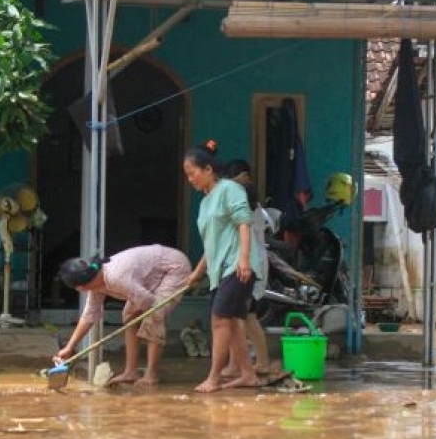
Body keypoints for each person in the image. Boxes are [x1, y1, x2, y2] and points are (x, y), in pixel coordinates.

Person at [182, 140, 261, 392]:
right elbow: (212, 245)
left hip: (237, 266)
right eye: (187, 175)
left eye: (192, 173)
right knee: (232, 323)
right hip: (220, 270)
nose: (190, 179)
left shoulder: (230, 189)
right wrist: (197, 272)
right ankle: (248, 374)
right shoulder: (205, 203)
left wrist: (245, 259)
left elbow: (243, 224)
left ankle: (214, 377)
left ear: (207, 170)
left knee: (219, 319)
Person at [55, 245, 191, 386]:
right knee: (129, 315)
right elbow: (89, 315)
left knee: (153, 317)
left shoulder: (116, 277)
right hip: (151, 275)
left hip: (173, 267)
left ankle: (152, 374)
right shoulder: (96, 284)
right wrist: (69, 347)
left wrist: (150, 324)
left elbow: (148, 302)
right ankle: (131, 372)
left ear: (80, 288)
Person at [222, 159, 277, 376]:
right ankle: (254, 363)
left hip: (249, 264)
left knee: (242, 316)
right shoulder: (251, 201)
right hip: (251, 262)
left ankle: (241, 365)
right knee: (245, 315)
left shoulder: (243, 200)